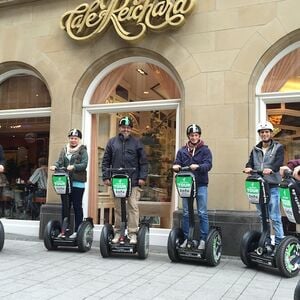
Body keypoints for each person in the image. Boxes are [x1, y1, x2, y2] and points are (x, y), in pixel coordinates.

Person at [102, 116, 148, 244]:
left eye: (128, 128)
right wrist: (106, 176)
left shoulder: (137, 143)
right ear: (120, 128)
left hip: (133, 180)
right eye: (123, 127)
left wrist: (142, 177)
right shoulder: (112, 142)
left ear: (131, 129)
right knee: (118, 207)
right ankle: (118, 231)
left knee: (132, 206)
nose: (126, 129)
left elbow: (143, 162)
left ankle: (133, 233)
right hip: (117, 181)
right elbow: (106, 160)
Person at [244, 121, 284, 248]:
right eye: (262, 132)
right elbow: (249, 163)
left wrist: (271, 168)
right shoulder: (255, 149)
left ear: (271, 133)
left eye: (267, 132)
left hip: (272, 186)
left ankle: (279, 244)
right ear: (259, 134)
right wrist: (248, 168)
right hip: (259, 187)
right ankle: (265, 241)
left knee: (275, 216)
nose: (264, 134)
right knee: (263, 216)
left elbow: (279, 162)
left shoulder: (278, 147)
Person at [173, 124, 212, 250]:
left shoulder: (205, 150)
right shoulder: (182, 151)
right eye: (191, 135)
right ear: (188, 137)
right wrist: (175, 167)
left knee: (202, 212)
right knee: (185, 212)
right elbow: (177, 163)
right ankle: (186, 238)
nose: (194, 137)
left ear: (199, 136)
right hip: (186, 184)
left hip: (200, 184)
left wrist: (199, 167)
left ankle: (203, 239)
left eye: (196, 135)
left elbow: (208, 165)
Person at [50, 129, 88, 238]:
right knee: (65, 206)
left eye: (75, 138)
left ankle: (78, 231)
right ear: (69, 138)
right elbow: (60, 161)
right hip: (65, 182)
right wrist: (55, 166)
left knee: (77, 206)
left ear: (79, 139)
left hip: (78, 182)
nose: (73, 140)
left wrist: (74, 167)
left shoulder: (82, 150)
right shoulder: (64, 149)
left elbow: (84, 164)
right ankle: (64, 230)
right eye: (71, 138)